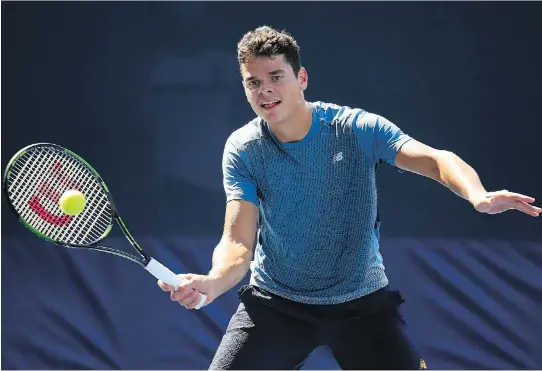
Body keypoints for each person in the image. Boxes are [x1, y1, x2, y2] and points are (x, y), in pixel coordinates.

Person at [158, 26, 541, 370]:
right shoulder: (244, 148)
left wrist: (477, 195)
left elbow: (436, 160)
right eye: (252, 82)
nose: (265, 90)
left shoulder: (355, 128)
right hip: (277, 304)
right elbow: (238, 240)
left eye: (276, 77)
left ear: (302, 78)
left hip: (362, 304)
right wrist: (213, 282)